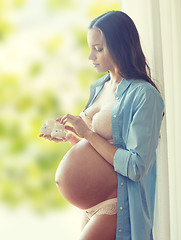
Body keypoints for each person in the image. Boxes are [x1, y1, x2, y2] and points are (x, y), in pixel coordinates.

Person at [40, 11, 164, 240]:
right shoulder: (101, 86)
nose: (91, 56)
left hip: (117, 203)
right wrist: (73, 139)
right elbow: (101, 147)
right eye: (91, 48)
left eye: (98, 49)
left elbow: (136, 166)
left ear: (120, 47)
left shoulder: (144, 96)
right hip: (91, 206)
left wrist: (87, 133)